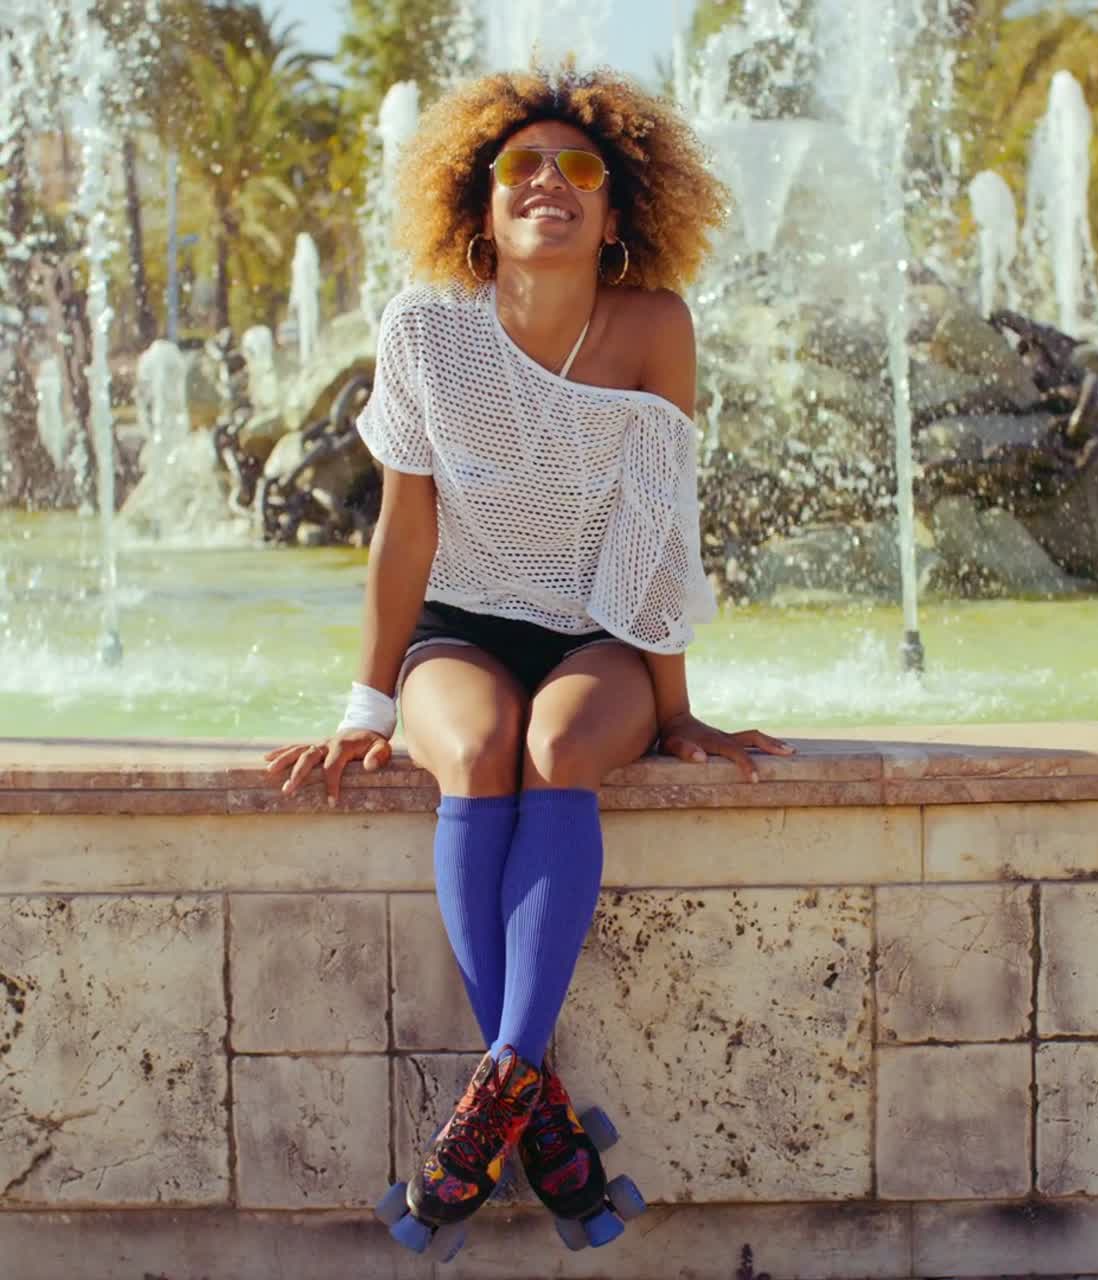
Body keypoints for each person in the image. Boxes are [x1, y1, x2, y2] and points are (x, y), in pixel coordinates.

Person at [264, 64, 793, 1253]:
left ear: (616, 214)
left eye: (581, 169)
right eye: (520, 167)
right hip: (461, 626)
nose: (549, 182)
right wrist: (364, 699)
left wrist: (679, 712)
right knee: (483, 743)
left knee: (557, 743)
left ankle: (497, 1087)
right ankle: (536, 1110)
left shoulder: (655, 325)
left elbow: (657, 532)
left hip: (598, 628)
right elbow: (404, 529)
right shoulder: (423, 326)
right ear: (479, 201)